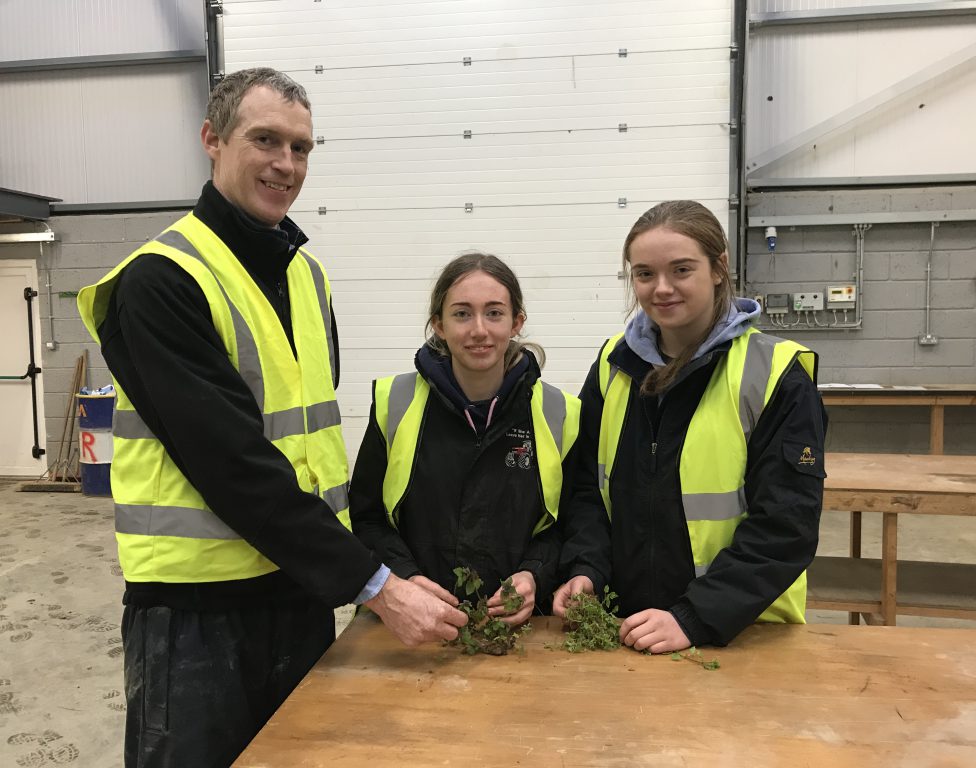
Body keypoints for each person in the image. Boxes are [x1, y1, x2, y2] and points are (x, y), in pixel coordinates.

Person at [77, 67, 466, 767]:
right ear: (212, 140)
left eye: (302, 148)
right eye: (266, 140)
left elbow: (308, 442)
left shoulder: (305, 276)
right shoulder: (160, 281)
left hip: (299, 594)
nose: (286, 165)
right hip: (197, 613)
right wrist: (377, 585)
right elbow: (233, 465)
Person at [553, 200, 826, 653]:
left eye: (681, 270)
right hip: (629, 627)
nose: (661, 289)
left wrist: (696, 616)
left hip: (742, 633)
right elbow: (585, 489)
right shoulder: (612, 366)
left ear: (719, 268)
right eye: (644, 274)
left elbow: (786, 525)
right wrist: (587, 569)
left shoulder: (774, 375)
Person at [350, 252, 581, 623]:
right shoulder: (394, 403)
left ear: (516, 322)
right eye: (461, 314)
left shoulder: (560, 413)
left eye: (494, 313)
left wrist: (535, 574)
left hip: (518, 631)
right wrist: (404, 579)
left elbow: (571, 524)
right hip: (404, 625)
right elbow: (366, 518)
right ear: (438, 324)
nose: (478, 330)